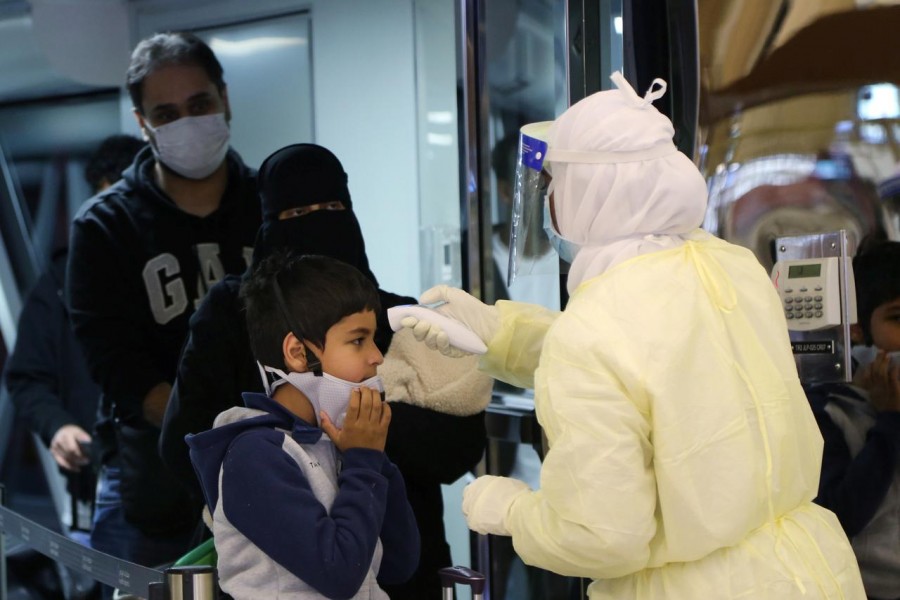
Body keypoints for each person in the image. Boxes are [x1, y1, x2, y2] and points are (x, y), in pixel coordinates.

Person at [401, 71, 865, 599]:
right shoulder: (731, 267)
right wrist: (500, 333)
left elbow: (603, 536)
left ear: (591, 192)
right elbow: (655, 360)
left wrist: (509, 509)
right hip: (808, 569)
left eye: (555, 186)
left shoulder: (596, 327)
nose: (550, 205)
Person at [160, 143, 489, 598]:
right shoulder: (235, 323)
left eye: (334, 207)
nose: (374, 358)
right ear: (293, 352)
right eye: (297, 212)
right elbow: (184, 443)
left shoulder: (398, 317)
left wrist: (368, 443)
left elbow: (458, 447)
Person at [66, 31, 261, 584]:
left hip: (284, 480)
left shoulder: (271, 205)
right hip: (161, 492)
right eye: (166, 114)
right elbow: (116, 365)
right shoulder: (104, 227)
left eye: (199, 104)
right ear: (142, 123)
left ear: (224, 96)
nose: (187, 123)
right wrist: (213, 434)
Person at [186, 252, 420, 599]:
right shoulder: (255, 455)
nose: (377, 356)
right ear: (297, 353)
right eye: (358, 340)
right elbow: (339, 574)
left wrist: (374, 459)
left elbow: (399, 563)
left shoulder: (338, 446)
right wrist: (363, 461)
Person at [4, 133, 144, 536]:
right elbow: (27, 376)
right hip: (95, 484)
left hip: (180, 481)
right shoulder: (62, 281)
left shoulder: (175, 274)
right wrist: (58, 427)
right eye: (108, 203)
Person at [806, 234, 900, 600]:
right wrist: (890, 421)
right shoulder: (829, 411)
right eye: (897, 318)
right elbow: (840, 517)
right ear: (858, 329)